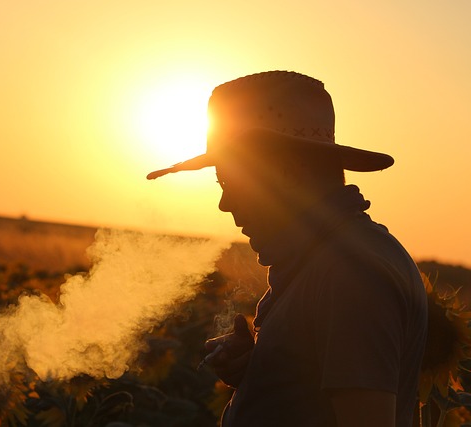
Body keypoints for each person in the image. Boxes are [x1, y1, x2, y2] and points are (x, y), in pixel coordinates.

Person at [146, 71, 428, 427]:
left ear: (287, 171)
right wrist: (263, 369)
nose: (224, 203)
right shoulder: (323, 258)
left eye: (232, 180)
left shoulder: (352, 274)